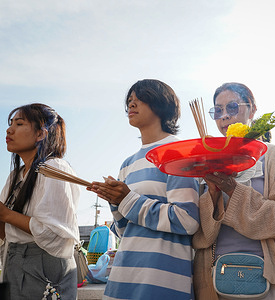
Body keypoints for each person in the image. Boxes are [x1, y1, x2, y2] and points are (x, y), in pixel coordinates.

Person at [88, 79, 200, 299]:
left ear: (161, 104)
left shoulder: (178, 152)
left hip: (161, 277)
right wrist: (114, 201)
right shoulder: (127, 164)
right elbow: (123, 231)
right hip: (124, 272)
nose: (131, 104)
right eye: (129, 100)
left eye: (139, 99)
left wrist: (128, 199)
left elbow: (187, 220)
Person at [192, 82, 275, 299]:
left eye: (232, 107)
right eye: (217, 110)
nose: (224, 116)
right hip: (212, 276)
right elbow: (196, 231)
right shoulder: (205, 159)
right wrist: (213, 195)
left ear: (252, 108)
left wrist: (233, 190)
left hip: (268, 278)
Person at [1, 103, 79, 299]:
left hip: (43, 266)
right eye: (11, 124)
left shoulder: (55, 167)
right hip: (14, 260)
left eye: (19, 124)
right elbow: (6, 233)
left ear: (41, 134)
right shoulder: (15, 176)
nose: (9, 129)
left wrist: (6, 214)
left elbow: (55, 236)